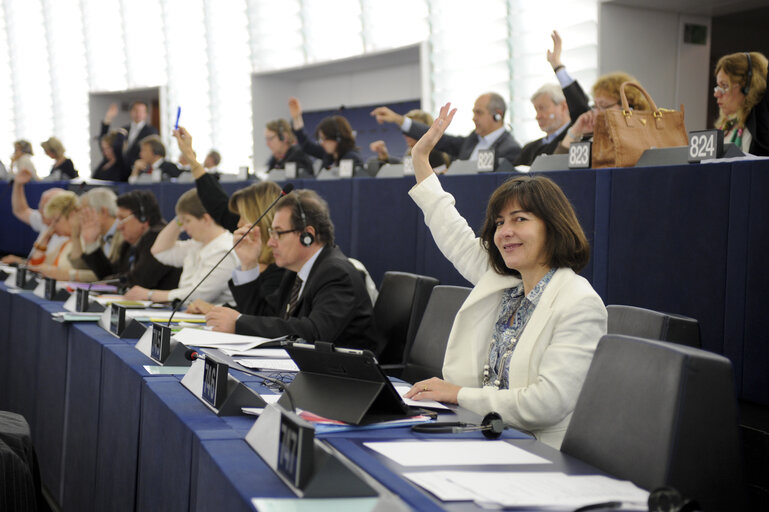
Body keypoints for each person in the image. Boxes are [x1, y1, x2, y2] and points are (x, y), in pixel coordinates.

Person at [403, 103, 607, 449]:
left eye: (520, 220)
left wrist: (459, 395)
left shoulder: (579, 302)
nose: (505, 232)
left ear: (553, 227)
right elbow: (452, 231)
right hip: (482, 435)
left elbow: (545, 404)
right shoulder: (503, 279)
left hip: (536, 452)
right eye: (499, 223)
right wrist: (421, 159)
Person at [204, 189, 383, 353]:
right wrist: (249, 264)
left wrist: (240, 323)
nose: (270, 242)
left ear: (307, 235)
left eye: (278, 233)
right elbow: (266, 315)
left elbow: (314, 333)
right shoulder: (296, 272)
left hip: (346, 380)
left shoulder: (336, 273)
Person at [122, 189, 237, 305]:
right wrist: (179, 219)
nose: (184, 228)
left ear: (206, 219)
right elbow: (159, 252)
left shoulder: (224, 250)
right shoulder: (197, 244)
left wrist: (150, 295)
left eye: (187, 221)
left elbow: (198, 295)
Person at [548, 31, 647, 151]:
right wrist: (575, 132)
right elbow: (558, 166)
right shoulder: (592, 138)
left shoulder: (641, 138)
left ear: (628, 107)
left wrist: (557, 66)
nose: (597, 113)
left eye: (604, 106)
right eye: (595, 106)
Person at [371, 93, 522, 168]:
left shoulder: (510, 149)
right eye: (473, 112)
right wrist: (399, 120)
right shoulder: (471, 141)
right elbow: (439, 138)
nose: (474, 118)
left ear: (497, 115)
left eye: (479, 113)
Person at [80, 190, 181, 290]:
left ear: (143, 218)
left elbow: (138, 281)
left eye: (122, 218)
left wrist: (108, 283)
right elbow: (110, 275)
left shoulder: (159, 237)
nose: (119, 226)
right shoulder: (130, 243)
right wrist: (91, 243)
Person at [2, 169, 66, 266]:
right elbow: (21, 210)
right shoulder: (46, 222)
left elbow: (52, 269)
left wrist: (21, 261)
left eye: (43, 207)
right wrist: (18, 185)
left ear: (57, 211)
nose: (39, 211)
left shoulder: (66, 234)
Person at [28, 191, 97, 282]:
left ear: (72, 216)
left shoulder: (87, 242)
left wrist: (64, 274)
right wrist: (46, 238)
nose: (52, 226)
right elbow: (35, 266)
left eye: (56, 221)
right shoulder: (65, 244)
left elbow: (95, 275)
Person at [713, 51, 769, 155]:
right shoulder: (726, 127)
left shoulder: (762, 120)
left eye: (724, 86)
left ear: (747, 87)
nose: (716, 94)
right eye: (718, 86)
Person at [288, 97, 364, 171]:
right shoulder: (329, 155)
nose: (322, 143)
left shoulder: (351, 158)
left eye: (324, 139)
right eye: (321, 139)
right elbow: (306, 145)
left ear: (338, 138)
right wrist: (297, 118)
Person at [368, 109, 450, 173]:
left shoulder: (435, 155)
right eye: (405, 131)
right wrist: (384, 157)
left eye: (411, 131)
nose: (406, 135)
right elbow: (404, 174)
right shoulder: (410, 153)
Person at [513, 83, 576, 166]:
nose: (538, 116)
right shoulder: (528, 149)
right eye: (536, 110)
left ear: (563, 107)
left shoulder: (575, 141)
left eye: (542, 108)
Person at [67, 188, 123, 278]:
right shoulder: (101, 237)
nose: (80, 217)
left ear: (103, 212)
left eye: (84, 212)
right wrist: (75, 236)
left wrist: (70, 275)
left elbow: (111, 276)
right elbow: (82, 267)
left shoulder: (123, 235)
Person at [101, 101, 159, 171]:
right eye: (136, 110)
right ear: (131, 112)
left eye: (141, 111)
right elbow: (107, 143)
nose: (138, 113)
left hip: (139, 169)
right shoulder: (123, 129)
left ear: (146, 114)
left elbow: (151, 152)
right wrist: (108, 119)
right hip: (120, 168)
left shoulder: (151, 131)